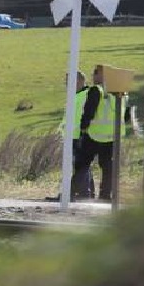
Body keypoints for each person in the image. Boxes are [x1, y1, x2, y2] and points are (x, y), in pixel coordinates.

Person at [71, 64, 127, 202]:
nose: (93, 76)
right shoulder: (120, 93)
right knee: (108, 167)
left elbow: (89, 111)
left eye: (95, 73)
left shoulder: (97, 90)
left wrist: (84, 127)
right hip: (113, 136)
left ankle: (71, 192)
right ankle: (105, 196)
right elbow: (124, 115)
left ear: (101, 75)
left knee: (82, 164)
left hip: (94, 135)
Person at [47, 70, 94, 201]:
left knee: (80, 165)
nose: (66, 84)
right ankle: (85, 193)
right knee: (81, 165)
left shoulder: (86, 95)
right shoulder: (76, 95)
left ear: (78, 81)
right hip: (73, 135)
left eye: (68, 81)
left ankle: (75, 194)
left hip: (80, 135)